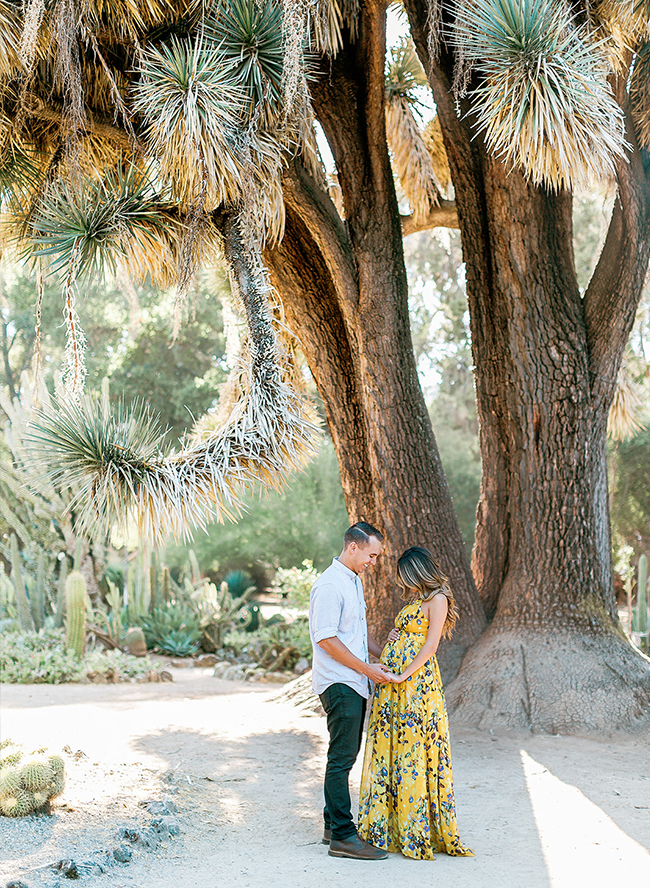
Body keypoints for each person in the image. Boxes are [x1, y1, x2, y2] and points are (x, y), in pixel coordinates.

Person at [358, 546, 473, 860]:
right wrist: (395, 635)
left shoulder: (438, 599)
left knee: (411, 750)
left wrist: (403, 675)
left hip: (414, 686)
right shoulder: (416, 600)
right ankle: (389, 825)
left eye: (404, 578)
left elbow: (430, 645)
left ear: (416, 573)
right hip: (393, 686)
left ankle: (414, 828)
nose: (402, 584)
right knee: (393, 747)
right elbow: (412, 635)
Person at [309, 521, 394, 861]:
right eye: (371, 555)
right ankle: (343, 837)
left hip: (354, 679)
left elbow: (355, 634)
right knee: (341, 759)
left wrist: (379, 654)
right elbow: (327, 638)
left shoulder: (353, 581)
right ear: (353, 547)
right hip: (339, 683)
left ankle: (333, 824)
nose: (373, 562)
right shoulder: (330, 586)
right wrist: (366, 669)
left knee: (344, 756)